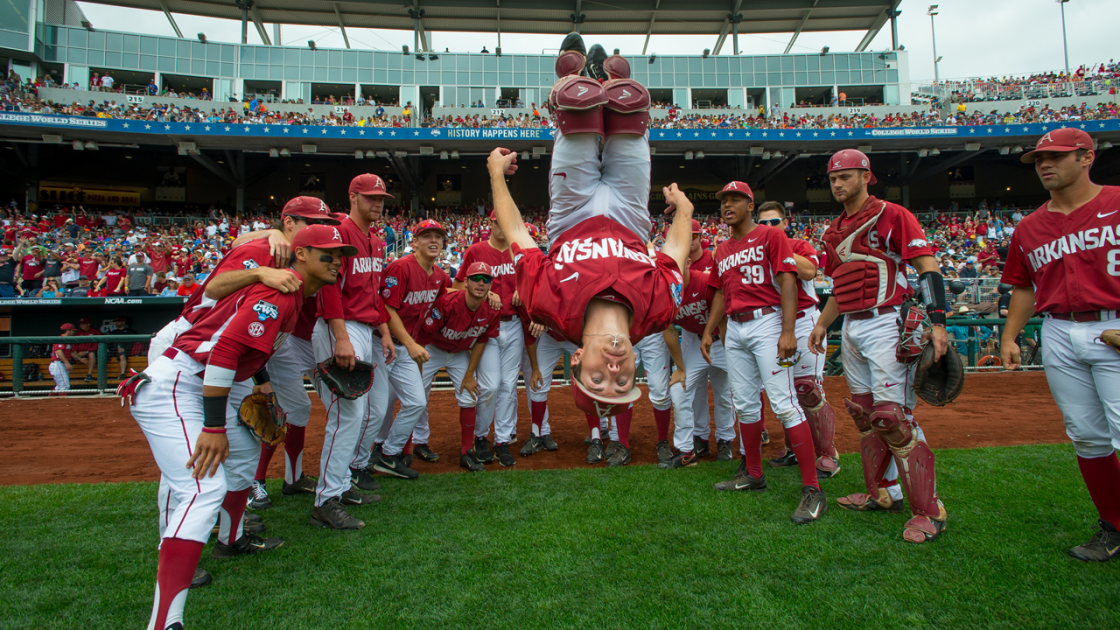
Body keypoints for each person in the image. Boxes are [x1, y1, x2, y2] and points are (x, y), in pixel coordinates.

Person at [123, 224, 348, 630]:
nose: (337, 261)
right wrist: (213, 427)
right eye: (327, 254)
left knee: (245, 455)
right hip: (180, 383)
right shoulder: (282, 287)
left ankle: (230, 540)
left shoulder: (294, 293)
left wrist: (260, 386)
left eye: (340, 255)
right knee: (202, 484)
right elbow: (225, 349)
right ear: (301, 255)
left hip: (208, 382)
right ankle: (165, 621)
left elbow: (241, 347)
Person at [488, 33, 691, 467]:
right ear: (636, 363)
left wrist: (495, 176)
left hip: (573, 211)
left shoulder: (549, 306)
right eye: (622, 382)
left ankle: (573, 78)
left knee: (577, 111)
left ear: (576, 359)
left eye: (598, 377)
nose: (615, 371)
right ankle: (612, 82)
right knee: (630, 110)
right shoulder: (658, 311)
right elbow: (674, 252)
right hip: (631, 215)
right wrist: (685, 213)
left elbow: (519, 236)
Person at [807, 149, 950, 544]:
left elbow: (927, 266)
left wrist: (938, 322)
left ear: (866, 176)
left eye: (846, 176)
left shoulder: (892, 214)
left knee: (893, 416)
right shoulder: (832, 230)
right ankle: (883, 493)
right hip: (852, 324)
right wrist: (822, 324)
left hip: (888, 320)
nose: (838, 184)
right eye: (833, 178)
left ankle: (930, 510)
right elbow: (840, 286)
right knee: (867, 415)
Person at [999, 128, 1120, 562]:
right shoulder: (1030, 226)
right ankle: (1113, 525)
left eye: (1055, 156)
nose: (1044, 164)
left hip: (1115, 323)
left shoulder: (1117, 202)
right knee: (1087, 436)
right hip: (1058, 330)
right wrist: (1010, 336)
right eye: (1038, 159)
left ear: (1086, 157)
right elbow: (1023, 286)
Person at [699, 181, 826, 525]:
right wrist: (710, 330)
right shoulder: (722, 250)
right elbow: (721, 294)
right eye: (723, 199)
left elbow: (787, 279)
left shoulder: (772, 236)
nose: (727, 204)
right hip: (736, 328)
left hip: (766, 321)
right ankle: (753, 473)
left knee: (784, 403)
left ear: (750, 204)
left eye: (735, 199)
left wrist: (787, 330)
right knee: (745, 403)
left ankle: (812, 489)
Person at [306, 176, 395, 529]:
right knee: (347, 416)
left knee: (374, 409)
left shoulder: (375, 238)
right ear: (353, 196)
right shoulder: (339, 233)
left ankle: (343, 483)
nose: (378, 203)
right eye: (371, 197)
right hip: (339, 327)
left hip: (367, 329)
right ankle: (326, 499)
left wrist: (384, 331)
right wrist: (340, 336)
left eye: (382, 198)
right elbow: (329, 288)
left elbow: (374, 294)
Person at [756, 201, 841, 479]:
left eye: (775, 222)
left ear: (785, 223)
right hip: (771, 322)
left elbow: (808, 272)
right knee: (784, 391)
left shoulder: (799, 245)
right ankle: (794, 447)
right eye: (764, 224)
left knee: (807, 389)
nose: (769, 228)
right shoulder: (753, 249)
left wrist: (781, 246)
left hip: (804, 320)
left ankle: (828, 453)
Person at [372, 220, 452, 477]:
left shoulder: (440, 276)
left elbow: (448, 299)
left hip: (407, 347)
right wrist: (410, 344)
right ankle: (360, 460)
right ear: (414, 241)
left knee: (416, 402)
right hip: (382, 342)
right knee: (378, 405)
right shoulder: (400, 267)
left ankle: (387, 453)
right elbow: (387, 308)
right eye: (426, 236)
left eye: (438, 237)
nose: (433, 241)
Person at [414, 262, 501, 472]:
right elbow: (422, 337)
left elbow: (482, 340)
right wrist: (417, 369)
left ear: (491, 286)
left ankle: (466, 452)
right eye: (476, 278)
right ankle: (413, 445)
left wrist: (470, 374)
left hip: (459, 353)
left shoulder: (492, 308)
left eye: (486, 279)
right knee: (417, 396)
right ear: (466, 282)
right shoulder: (447, 303)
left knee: (469, 395)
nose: (481, 283)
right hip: (432, 349)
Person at [452, 213, 518, 461]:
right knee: (489, 386)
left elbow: (533, 281)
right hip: (485, 327)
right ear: (490, 224)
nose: (502, 226)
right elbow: (458, 286)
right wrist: (483, 294)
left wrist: (523, 288)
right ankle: (481, 437)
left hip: (515, 325)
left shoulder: (517, 251)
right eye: (497, 221)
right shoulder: (475, 250)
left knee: (508, 386)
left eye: (506, 221)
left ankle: (502, 440)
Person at [49, 323, 76, 394]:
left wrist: (80, 359)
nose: (73, 332)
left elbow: (71, 353)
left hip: (62, 364)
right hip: (58, 364)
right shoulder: (60, 339)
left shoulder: (67, 341)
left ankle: (49, 400)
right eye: (72, 331)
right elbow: (59, 352)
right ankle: (63, 403)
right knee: (64, 386)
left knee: (59, 386)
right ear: (68, 331)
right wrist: (67, 363)